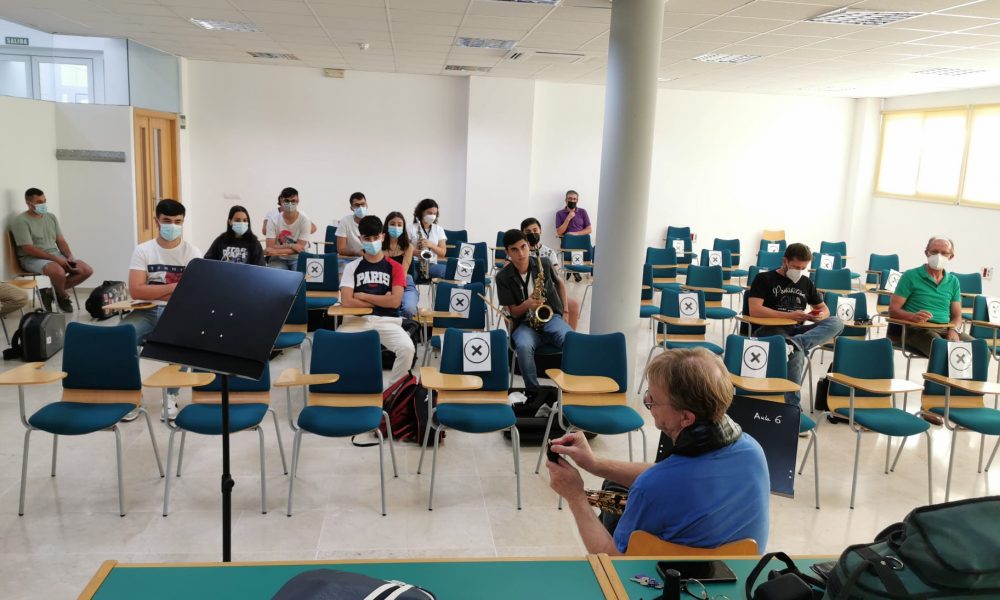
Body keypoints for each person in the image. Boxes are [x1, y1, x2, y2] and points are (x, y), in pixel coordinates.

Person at [546, 348, 770, 555]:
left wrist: (575, 496)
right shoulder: (754, 452)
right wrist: (594, 464)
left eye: (652, 400)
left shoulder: (652, 487)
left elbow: (611, 560)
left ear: (686, 418)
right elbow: (675, 475)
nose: (648, 404)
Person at [122, 199, 202, 420]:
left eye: (178, 221)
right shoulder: (143, 250)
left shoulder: (192, 252)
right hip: (145, 310)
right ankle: (131, 397)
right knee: (121, 337)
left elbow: (192, 293)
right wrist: (175, 287)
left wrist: (155, 289)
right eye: (167, 221)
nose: (172, 225)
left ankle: (171, 395)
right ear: (157, 220)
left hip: (178, 311)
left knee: (184, 341)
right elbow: (136, 291)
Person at [747, 242, 844, 406]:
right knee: (796, 354)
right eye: (796, 267)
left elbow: (824, 309)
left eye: (803, 268)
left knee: (836, 322)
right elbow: (755, 310)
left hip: (795, 331)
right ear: (785, 261)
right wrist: (789, 315)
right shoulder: (764, 278)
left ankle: (794, 343)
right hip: (769, 330)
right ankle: (792, 408)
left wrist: (819, 317)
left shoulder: (806, 283)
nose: (799, 271)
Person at [339, 215, 415, 385]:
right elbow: (346, 302)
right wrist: (382, 299)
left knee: (407, 348)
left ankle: (392, 391)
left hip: (387, 320)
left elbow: (395, 302)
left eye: (376, 237)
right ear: (360, 239)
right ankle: (347, 387)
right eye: (367, 238)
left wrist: (363, 296)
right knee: (336, 345)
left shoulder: (395, 267)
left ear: (382, 236)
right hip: (356, 321)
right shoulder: (352, 267)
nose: (372, 242)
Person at [495, 229, 571, 388]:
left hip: (550, 317)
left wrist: (565, 311)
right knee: (523, 347)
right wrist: (528, 304)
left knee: (572, 340)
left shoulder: (544, 263)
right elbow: (513, 311)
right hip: (524, 323)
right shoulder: (502, 277)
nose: (521, 253)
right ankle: (533, 392)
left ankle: (570, 388)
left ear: (529, 245)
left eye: (523, 247)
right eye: (514, 250)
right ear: (507, 252)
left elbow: (559, 284)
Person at [11, 188, 94, 312]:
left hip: (54, 255)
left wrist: (69, 256)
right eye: (39, 202)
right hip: (31, 258)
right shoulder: (20, 221)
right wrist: (56, 260)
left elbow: (60, 241)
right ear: (28, 203)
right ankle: (61, 296)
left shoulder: (51, 217)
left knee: (86, 270)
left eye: (45, 201)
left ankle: (50, 293)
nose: (43, 204)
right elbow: (28, 249)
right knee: (58, 272)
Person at [888, 237, 972, 356]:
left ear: (951, 257)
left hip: (945, 329)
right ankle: (942, 374)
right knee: (942, 350)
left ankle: (961, 375)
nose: (938, 256)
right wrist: (912, 316)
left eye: (944, 253)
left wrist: (954, 330)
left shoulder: (953, 282)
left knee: (981, 351)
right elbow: (893, 310)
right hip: (917, 329)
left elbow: (957, 316)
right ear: (926, 253)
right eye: (934, 251)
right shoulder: (910, 276)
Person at [521, 217, 580, 330]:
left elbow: (557, 279)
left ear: (540, 231)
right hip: (526, 294)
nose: (532, 234)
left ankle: (570, 340)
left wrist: (565, 309)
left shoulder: (549, 252)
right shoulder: (519, 251)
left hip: (548, 292)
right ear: (522, 234)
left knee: (573, 306)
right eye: (528, 232)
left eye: (535, 230)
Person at [382, 211, 418, 319]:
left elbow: (402, 273)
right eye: (392, 224)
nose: (396, 227)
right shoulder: (378, 246)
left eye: (399, 224)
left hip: (405, 283)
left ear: (403, 228)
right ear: (386, 226)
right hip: (383, 283)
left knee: (409, 309)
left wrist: (393, 294)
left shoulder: (408, 247)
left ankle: (406, 330)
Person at [265, 188, 311, 270]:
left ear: (298, 201)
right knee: (277, 277)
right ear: (281, 201)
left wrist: (276, 251)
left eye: (293, 201)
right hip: (278, 259)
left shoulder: (305, 220)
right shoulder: (273, 220)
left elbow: (300, 248)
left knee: (299, 278)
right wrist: (292, 245)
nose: (290, 204)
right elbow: (269, 247)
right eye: (286, 201)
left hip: (298, 258)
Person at [555, 190, 591, 282]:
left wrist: (574, 234)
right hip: (567, 243)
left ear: (577, 201)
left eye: (574, 199)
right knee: (569, 240)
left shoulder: (583, 212)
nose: (572, 200)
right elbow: (559, 232)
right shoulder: (559, 213)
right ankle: (574, 270)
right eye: (570, 198)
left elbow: (589, 229)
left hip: (581, 242)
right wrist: (568, 218)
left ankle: (573, 270)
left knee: (584, 243)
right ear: (566, 200)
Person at [408, 198, 447, 280]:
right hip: (414, 263)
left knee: (448, 270)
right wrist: (414, 252)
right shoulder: (411, 228)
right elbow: (403, 249)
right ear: (421, 212)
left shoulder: (438, 229)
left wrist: (431, 245)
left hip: (431, 264)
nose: (432, 216)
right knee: (409, 276)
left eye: (434, 213)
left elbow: (443, 253)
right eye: (429, 213)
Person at [336, 192, 368, 269]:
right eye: (357, 205)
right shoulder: (345, 221)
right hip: (349, 260)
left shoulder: (373, 222)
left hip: (368, 259)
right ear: (351, 208)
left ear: (366, 205)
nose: (360, 207)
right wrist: (356, 252)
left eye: (363, 204)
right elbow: (341, 249)